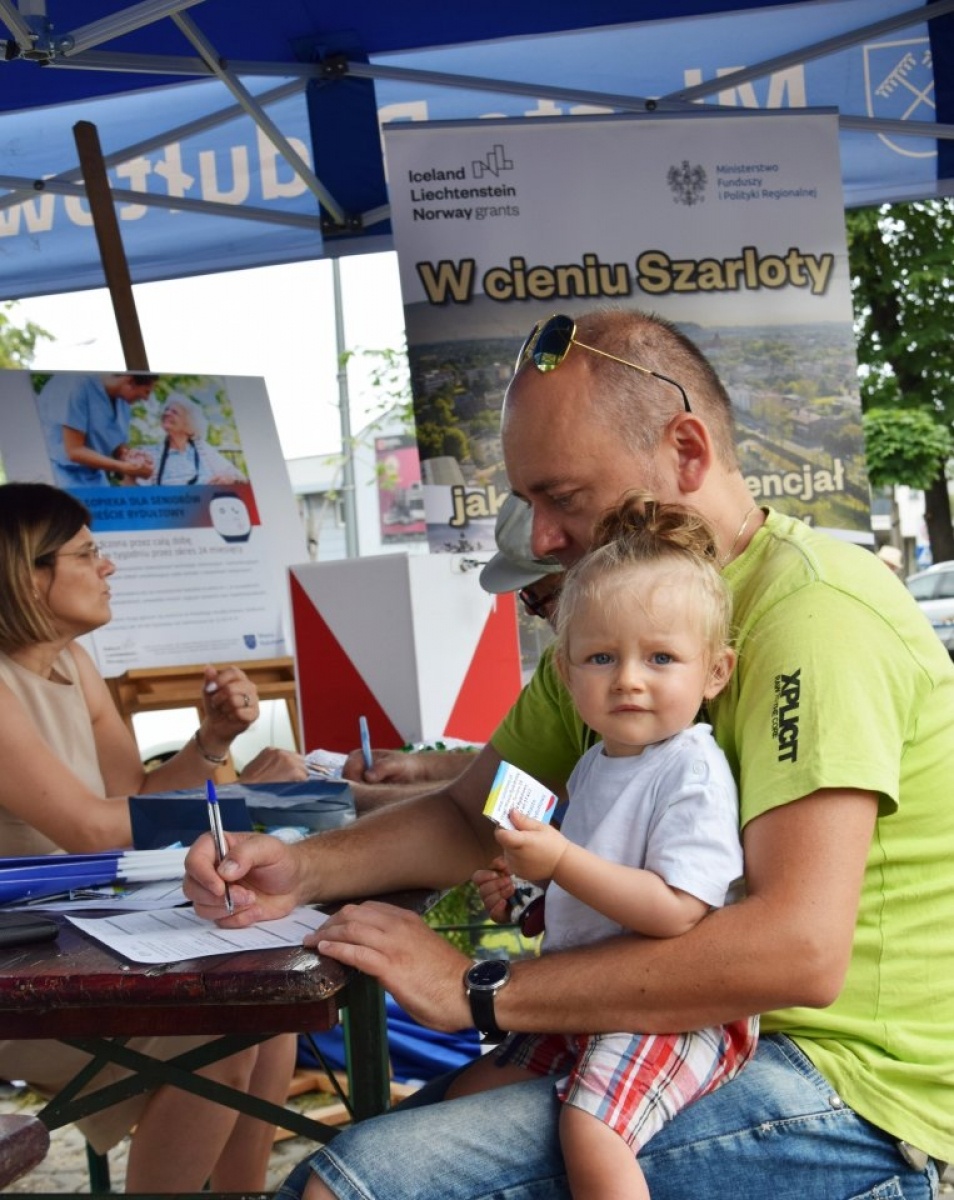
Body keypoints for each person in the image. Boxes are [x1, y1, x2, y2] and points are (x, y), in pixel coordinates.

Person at [186, 308, 954, 1200]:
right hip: (681, 1034)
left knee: (349, 1185)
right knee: (380, 1147)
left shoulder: (815, 615)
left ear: (688, 452)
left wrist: (478, 991)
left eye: (564, 498)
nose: (542, 538)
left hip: (846, 1090)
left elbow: (796, 952)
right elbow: (469, 812)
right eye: (531, 503)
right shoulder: (617, 622)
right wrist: (300, 869)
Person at [448, 494, 756, 1200]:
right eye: (600, 656)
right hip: (590, 993)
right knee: (464, 1093)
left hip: (676, 1009)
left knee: (592, 1130)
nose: (628, 679)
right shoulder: (594, 764)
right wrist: (525, 896)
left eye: (661, 657)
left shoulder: (691, 769)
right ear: (565, 673)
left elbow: (679, 909)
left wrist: (561, 862)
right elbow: (584, 891)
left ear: (715, 672)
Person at [0, 481, 298, 1193]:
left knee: (274, 1014)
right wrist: (250, 798)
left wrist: (214, 741)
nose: (108, 567)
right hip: (21, 966)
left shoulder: (72, 663)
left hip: (69, 934)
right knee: (221, 1038)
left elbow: (132, 797)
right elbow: (90, 829)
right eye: (87, 553)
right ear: (25, 572)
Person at [341, 493, 561, 789]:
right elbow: (517, 764)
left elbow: (542, 789)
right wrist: (419, 767)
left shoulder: (608, 677)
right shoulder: (560, 667)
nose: (534, 613)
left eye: (539, 597)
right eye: (528, 598)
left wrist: (357, 799)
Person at [35, 372, 159, 487]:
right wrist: (123, 467)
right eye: (146, 391)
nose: (146, 398)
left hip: (93, 477)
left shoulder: (123, 401)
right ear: (130, 381)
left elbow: (112, 439)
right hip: (60, 473)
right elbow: (74, 451)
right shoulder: (77, 385)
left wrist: (129, 456)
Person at [139, 395, 247, 487]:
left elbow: (239, 477)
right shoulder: (151, 453)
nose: (167, 413)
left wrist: (227, 479)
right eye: (166, 410)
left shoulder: (202, 449)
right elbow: (139, 491)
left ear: (188, 423)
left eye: (174, 412)